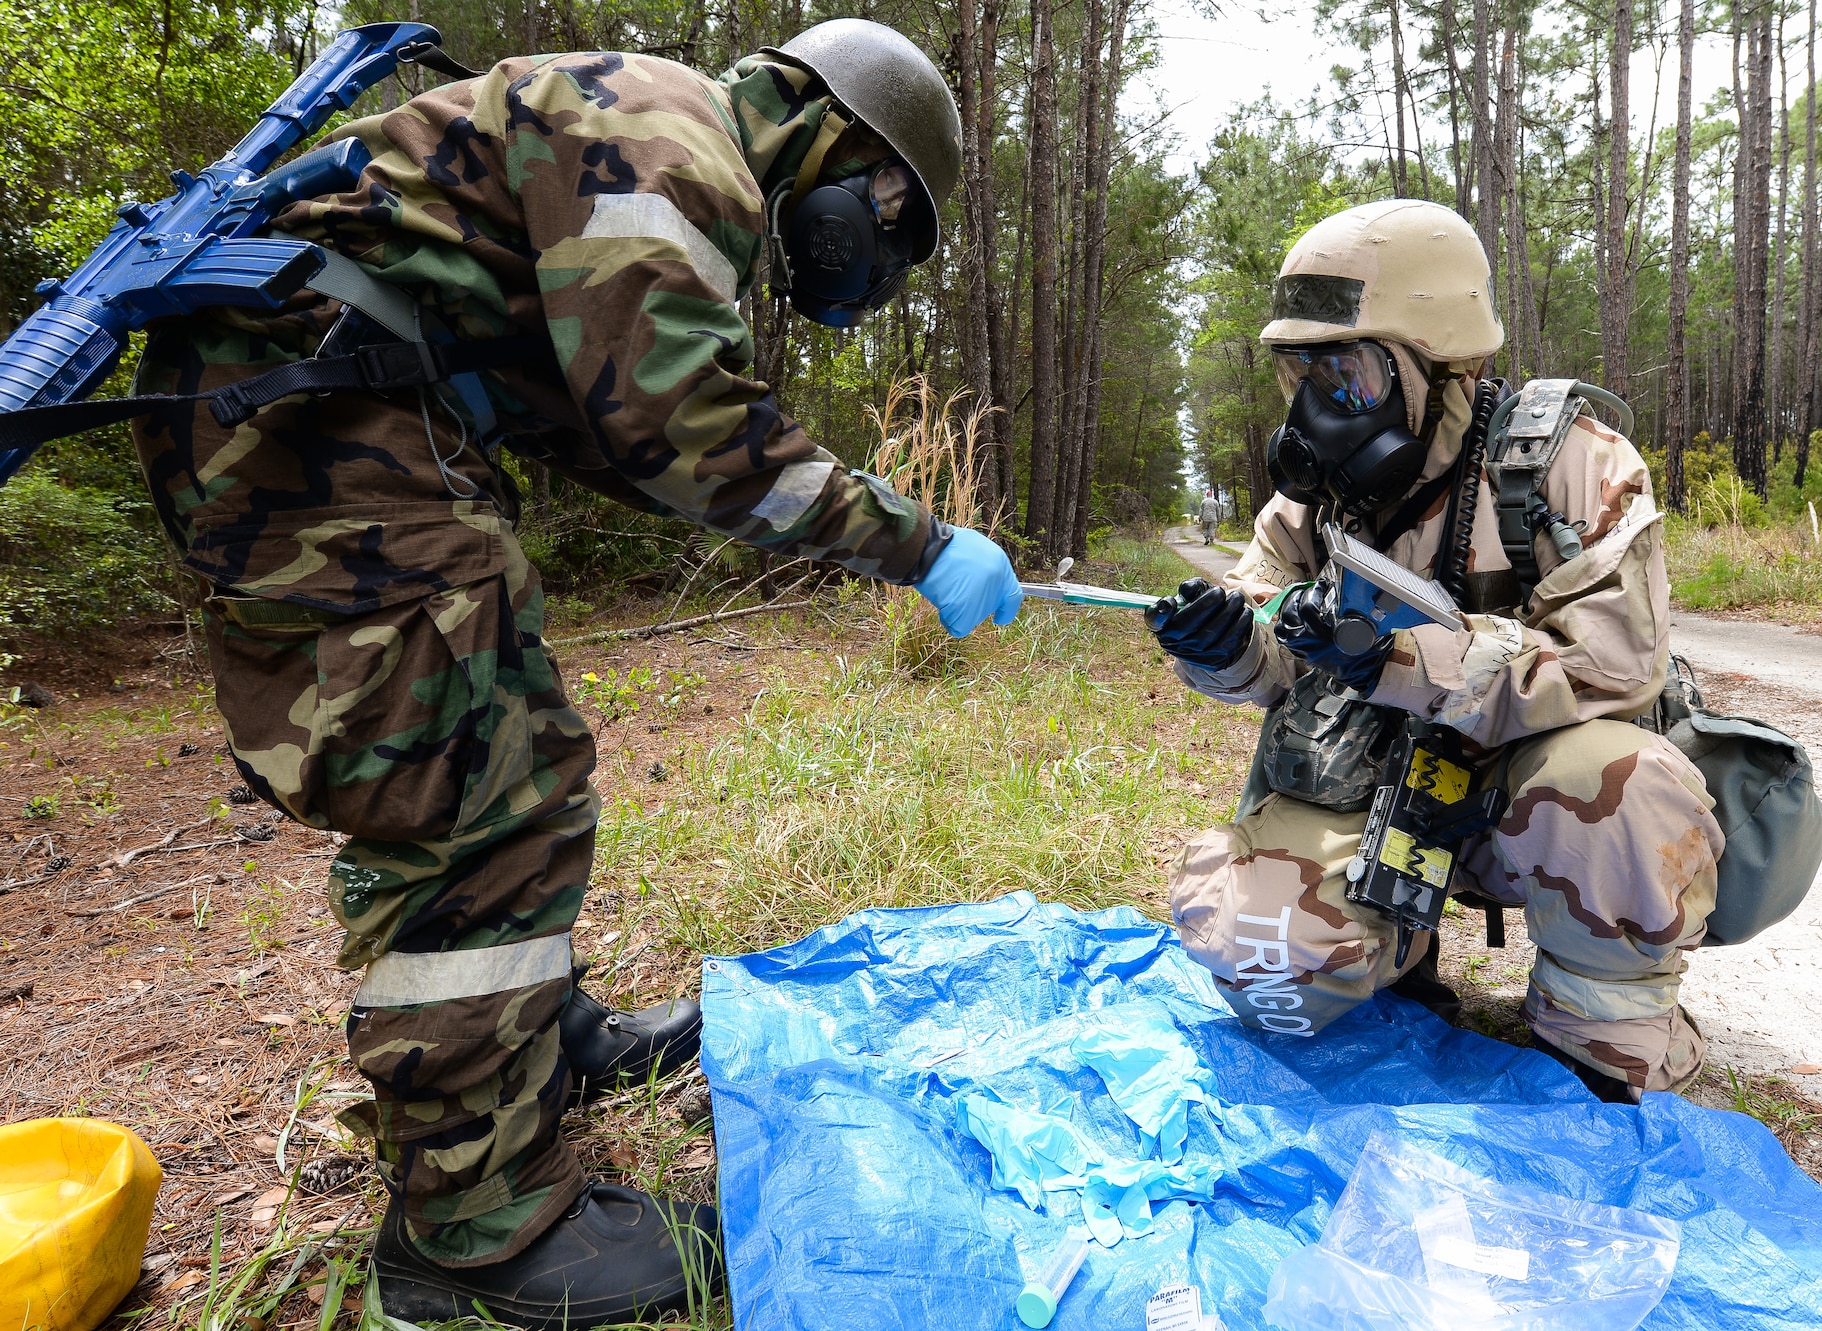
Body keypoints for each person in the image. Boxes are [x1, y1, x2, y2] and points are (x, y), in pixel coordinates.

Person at [128, 20, 1019, 1327]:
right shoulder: (676, 136)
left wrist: (853, 519)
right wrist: (917, 540)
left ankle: (527, 1039)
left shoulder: (652, 138)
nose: (873, 237)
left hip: (329, 402)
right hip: (310, 413)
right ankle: (473, 1228)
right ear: (846, 144)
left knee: (519, 749)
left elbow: (616, 423)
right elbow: (683, 428)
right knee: (468, 783)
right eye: (889, 209)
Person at [1146, 199, 1721, 1109]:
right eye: (1300, 370)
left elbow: (1615, 663)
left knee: (1627, 780)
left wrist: (1411, 659)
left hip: (1528, 801)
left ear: (1439, 364)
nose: (1316, 404)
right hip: (1378, 792)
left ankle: (1600, 1036)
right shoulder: (1313, 506)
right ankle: (1393, 955)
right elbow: (1272, 652)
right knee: (1266, 963)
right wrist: (1226, 648)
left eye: (1345, 371)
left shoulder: (1569, 468)